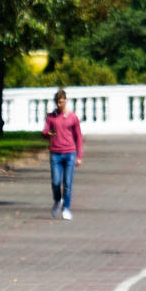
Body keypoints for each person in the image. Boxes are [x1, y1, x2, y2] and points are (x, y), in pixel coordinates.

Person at [41, 89, 83, 219]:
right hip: (56, 154)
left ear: (66, 101)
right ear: (56, 103)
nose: (61, 105)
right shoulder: (51, 117)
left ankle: (66, 208)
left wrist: (79, 156)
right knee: (56, 182)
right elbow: (44, 133)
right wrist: (49, 134)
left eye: (63, 102)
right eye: (59, 102)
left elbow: (78, 137)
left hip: (70, 153)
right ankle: (57, 201)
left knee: (67, 183)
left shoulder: (72, 117)